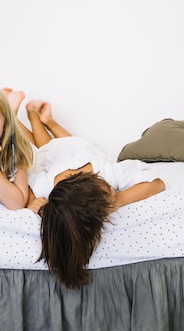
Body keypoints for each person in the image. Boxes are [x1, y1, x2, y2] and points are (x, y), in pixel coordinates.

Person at [21, 99, 166, 289]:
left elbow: (157, 183)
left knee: (54, 148)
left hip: (79, 149)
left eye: (110, 192)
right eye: (111, 193)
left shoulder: (106, 171)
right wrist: (32, 200)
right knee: (43, 150)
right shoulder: (50, 187)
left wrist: (118, 201)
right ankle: (31, 116)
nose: (113, 191)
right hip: (59, 156)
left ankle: (49, 122)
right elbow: (27, 182)